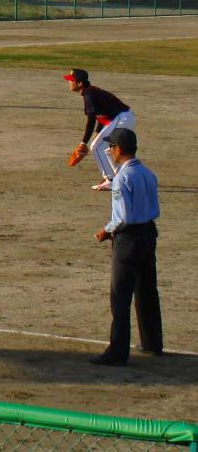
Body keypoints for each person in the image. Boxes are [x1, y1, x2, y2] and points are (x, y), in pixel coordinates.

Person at [89, 128, 163, 366]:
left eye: (111, 147)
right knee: (147, 290)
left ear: (119, 149)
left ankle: (118, 351)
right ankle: (152, 342)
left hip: (128, 239)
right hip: (148, 234)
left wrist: (106, 230)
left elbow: (123, 216)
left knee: (120, 296)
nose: (109, 152)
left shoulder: (121, 178)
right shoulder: (149, 174)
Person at [64, 69, 135, 191]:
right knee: (109, 149)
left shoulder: (89, 95)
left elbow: (91, 120)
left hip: (121, 118)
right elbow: (101, 116)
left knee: (96, 147)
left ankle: (111, 180)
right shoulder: (91, 92)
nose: (69, 83)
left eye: (72, 80)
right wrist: (97, 135)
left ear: (80, 83)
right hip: (123, 117)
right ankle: (118, 178)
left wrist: (83, 143)